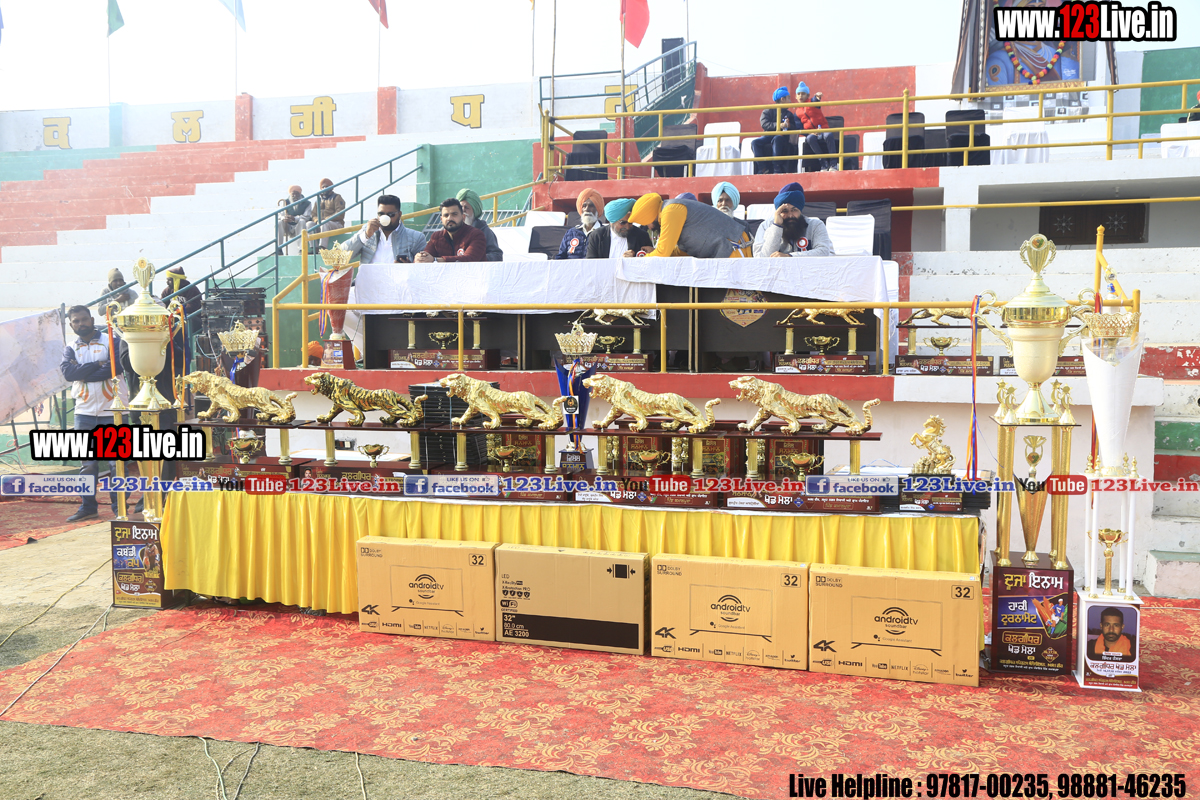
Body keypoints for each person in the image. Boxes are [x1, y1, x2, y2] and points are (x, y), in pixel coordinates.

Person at [61, 306, 124, 522]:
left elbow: (115, 368)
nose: (81, 324)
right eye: (76, 321)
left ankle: (120, 509)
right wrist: (97, 364)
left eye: (83, 319)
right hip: (84, 412)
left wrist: (83, 372)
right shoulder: (70, 347)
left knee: (117, 463)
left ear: (91, 318)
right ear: (71, 324)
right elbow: (68, 373)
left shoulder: (111, 340)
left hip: (113, 409)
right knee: (87, 464)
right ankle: (88, 507)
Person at [628, 192, 752, 259]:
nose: (648, 227)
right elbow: (681, 251)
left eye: (646, 223)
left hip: (733, 247)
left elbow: (662, 253)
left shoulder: (670, 211)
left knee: (738, 296)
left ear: (649, 216)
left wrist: (643, 259)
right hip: (728, 251)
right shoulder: (669, 210)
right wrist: (654, 252)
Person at [339, 195, 427, 264]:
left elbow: (423, 268)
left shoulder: (416, 237)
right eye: (381, 214)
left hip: (398, 281)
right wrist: (365, 236)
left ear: (399, 214)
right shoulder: (368, 231)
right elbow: (340, 257)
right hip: (369, 281)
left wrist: (409, 267)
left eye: (390, 214)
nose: (385, 218)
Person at [753, 182, 834, 258]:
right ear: (778, 211)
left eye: (794, 210)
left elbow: (823, 252)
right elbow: (762, 258)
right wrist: (777, 226)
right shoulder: (766, 226)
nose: (790, 215)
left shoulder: (815, 225)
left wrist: (789, 256)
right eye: (785, 211)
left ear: (800, 210)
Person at [415, 199, 487, 263]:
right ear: (441, 219)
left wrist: (435, 260)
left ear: (463, 217)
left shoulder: (476, 235)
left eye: (454, 214)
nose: (449, 218)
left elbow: (470, 259)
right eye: (446, 215)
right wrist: (421, 258)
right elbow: (427, 256)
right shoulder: (436, 237)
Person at [751, 87, 800, 175]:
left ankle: (776, 167)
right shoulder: (768, 110)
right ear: (782, 99)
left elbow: (794, 128)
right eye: (788, 98)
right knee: (755, 142)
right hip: (768, 136)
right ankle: (762, 168)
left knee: (777, 138)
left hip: (782, 137)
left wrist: (789, 126)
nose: (790, 101)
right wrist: (778, 125)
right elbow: (764, 124)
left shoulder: (789, 114)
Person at [586, 197, 653, 259]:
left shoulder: (642, 236)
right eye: (623, 223)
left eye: (630, 222)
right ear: (612, 221)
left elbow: (650, 262)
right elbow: (591, 264)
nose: (627, 227)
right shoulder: (597, 236)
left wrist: (634, 259)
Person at [795, 82, 839, 171]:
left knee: (828, 135)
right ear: (796, 96)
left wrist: (817, 97)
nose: (801, 96)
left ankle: (833, 163)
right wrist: (810, 132)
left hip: (823, 129)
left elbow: (816, 100)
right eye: (798, 94)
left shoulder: (812, 102)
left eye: (803, 94)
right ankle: (823, 163)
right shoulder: (796, 112)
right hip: (811, 133)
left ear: (808, 95)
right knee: (810, 139)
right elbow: (799, 128)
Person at [456, 189, 503, 261]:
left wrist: (476, 257)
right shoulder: (450, 230)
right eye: (460, 207)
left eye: (466, 207)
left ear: (474, 211)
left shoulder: (485, 231)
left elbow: (497, 256)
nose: (463, 210)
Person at [307, 178, 346, 251]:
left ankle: (323, 248)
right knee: (309, 224)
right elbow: (313, 214)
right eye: (323, 187)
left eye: (327, 187)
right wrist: (317, 220)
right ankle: (315, 248)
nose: (325, 188)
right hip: (321, 224)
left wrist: (326, 219)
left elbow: (340, 213)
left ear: (331, 188)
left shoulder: (337, 197)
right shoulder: (318, 200)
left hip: (336, 224)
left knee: (324, 223)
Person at [275, 185, 311, 256]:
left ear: (300, 194)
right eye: (293, 194)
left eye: (297, 194)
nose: (295, 196)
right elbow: (280, 215)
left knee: (302, 221)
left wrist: (294, 218)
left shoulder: (307, 203)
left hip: (299, 225)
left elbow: (306, 216)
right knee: (279, 223)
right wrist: (284, 218)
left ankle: (301, 249)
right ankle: (278, 249)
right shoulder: (285, 202)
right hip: (288, 226)